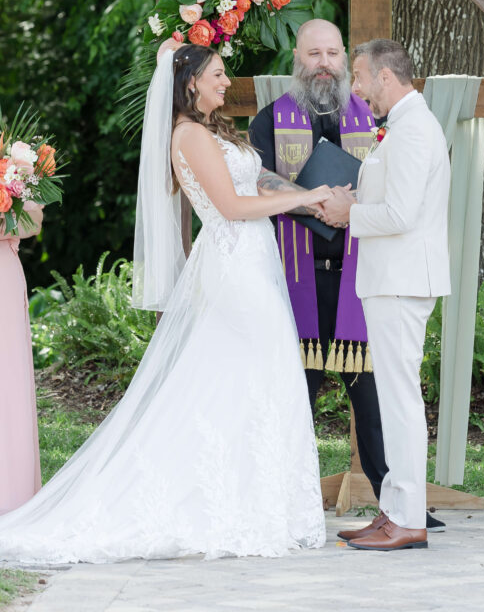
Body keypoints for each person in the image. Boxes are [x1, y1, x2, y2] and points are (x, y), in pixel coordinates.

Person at [0, 45, 330, 564]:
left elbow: (250, 181)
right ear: (192, 81)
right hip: (232, 265)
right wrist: (304, 199)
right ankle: (229, 506)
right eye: (219, 74)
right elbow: (232, 206)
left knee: (247, 380)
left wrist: (306, 190)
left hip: (252, 262)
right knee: (259, 372)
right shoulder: (189, 134)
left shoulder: (214, 129)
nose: (228, 82)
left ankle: (251, 502)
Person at [248, 19, 389, 503]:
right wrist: (312, 200)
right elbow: (258, 179)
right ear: (297, 60)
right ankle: (283, 500)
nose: (324, 63)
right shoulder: (269, 119)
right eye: (315, 54)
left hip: (359, 277)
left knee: (369, 395)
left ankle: (392, 499)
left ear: (345, 60)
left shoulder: (373, 118)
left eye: (332, 53)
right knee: (294, 392)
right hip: (295, 279)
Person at [322, 39, 451, 552]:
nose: (353, 87)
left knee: (400, 402)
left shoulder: (416, 130)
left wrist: (346, 214)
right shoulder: (402, 128)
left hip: (401, 282)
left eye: (358, 76)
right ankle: (394, 510)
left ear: (385, 77)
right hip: (390, 281)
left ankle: (407, 519)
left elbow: (400, 216)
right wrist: (353, 200)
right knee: (395, 398)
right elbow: (393, 201)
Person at [0, 202, 44, 515]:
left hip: (4, 280)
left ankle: (11, 496)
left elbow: (34, 221)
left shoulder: (11, 158)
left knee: (9, 383)